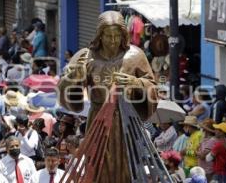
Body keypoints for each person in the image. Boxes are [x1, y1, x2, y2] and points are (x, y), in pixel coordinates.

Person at [58, 10, 157, 182]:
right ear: (100, 35)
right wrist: (74, 77)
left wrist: (135, 82)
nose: (113, 41)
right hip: (98, 119)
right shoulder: (85, 56)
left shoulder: (135, 55)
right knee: (97, 164)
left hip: (126, 121)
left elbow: (153, 86)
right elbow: (63, 91)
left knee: (126, 165)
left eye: (117, 36)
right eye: (108, 36)